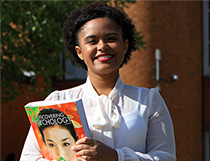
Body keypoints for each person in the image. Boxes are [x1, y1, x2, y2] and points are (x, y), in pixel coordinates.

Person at [20, 2, 176, 161]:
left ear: (125, 45)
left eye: (111, 38)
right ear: (79, 51)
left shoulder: (148, 100)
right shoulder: (57, 102)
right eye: (92, 41)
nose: (102, 46)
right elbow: (28, 158)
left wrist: (116, 156)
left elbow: (166, 158)